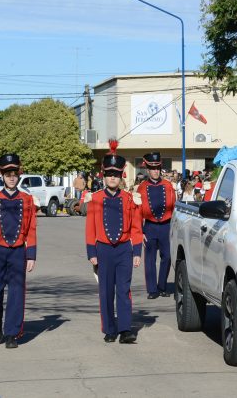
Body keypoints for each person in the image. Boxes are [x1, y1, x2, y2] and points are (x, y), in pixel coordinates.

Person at [85, 140, 143, 344]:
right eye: (109, 174)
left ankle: (125, 329)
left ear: (121, 176)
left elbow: (136, 227)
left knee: (123, 290)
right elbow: (90, 227)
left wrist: (137, 252)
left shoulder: (129, 199)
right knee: (106, 291)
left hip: (123, 250)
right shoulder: (95, 198)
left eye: (116, 175)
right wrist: (91, 252)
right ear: (104, 176)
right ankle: (109, 328)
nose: (112, 178)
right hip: (103, 250)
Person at [0, 153, 38, 349]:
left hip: (17, 253)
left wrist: (30, 254)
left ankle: (12, 333)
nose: (11, 177)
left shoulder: (27, 199)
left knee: (16, 293)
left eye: (14, 173)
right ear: (2, 176)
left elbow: (31, 228)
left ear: (19, 175)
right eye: (7, 174)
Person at [137, 152, 177, 299]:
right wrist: (140, 231)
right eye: (152, 168)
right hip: (150, 227)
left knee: (167, 257)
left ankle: (162, 286)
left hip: (166, 225)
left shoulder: (168, 186)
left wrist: (174, 227)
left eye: (158, 168)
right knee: (150, 259)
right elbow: (138, 212)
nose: (155, 171)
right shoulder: (142, 187)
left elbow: (173, 207)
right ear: (147, 170)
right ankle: (152, 289)